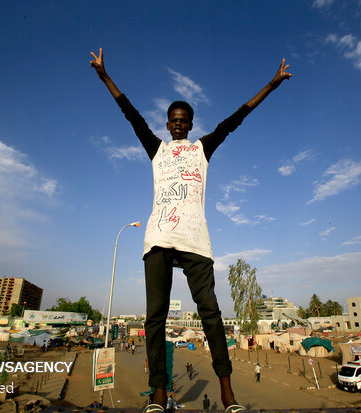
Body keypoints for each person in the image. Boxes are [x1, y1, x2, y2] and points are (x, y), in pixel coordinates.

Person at [90, 47, 291, 413]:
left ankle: (228, 395)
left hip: (195, 240)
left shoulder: (202, 149)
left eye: (184, 120)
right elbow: (130, 114)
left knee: (211, 314)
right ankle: (159, 395)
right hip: (158, 240)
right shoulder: (158, 151)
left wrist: (273, 84)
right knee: (156, 317)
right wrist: (104, 76)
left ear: (191, 124)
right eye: (174, 120)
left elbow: (236, 119)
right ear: (167, 125)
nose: (179, 124)